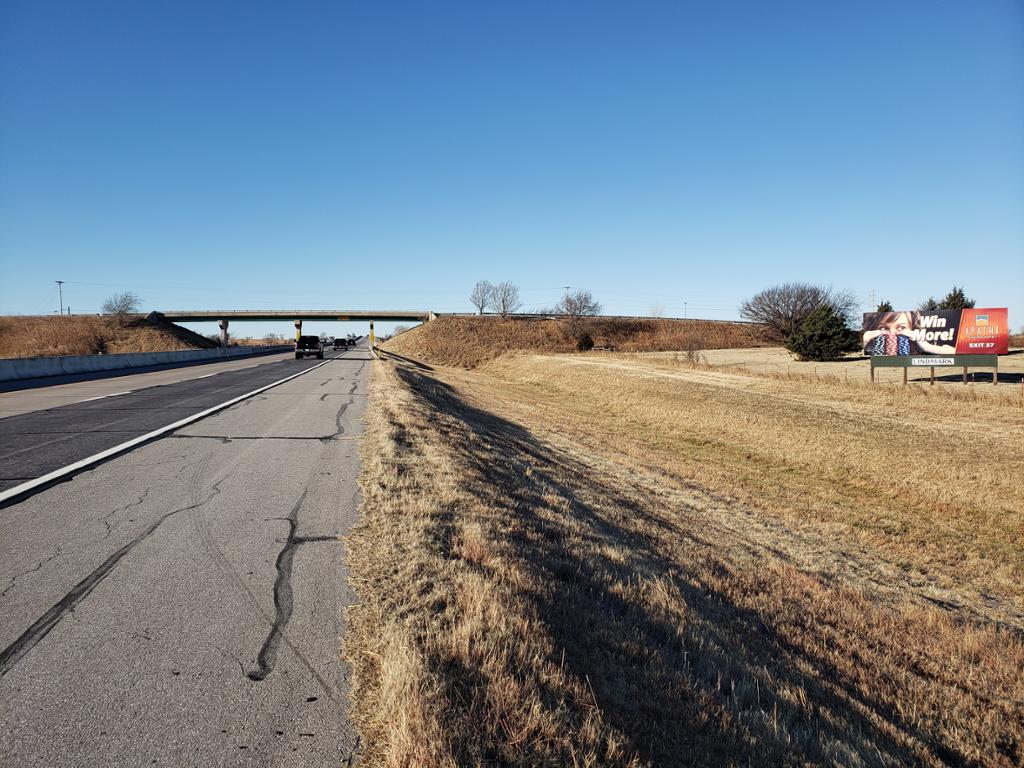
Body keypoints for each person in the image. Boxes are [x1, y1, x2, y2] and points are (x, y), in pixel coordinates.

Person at [863, 310, 956, 355]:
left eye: (901, 327)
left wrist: (926, 347)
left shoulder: (916, 345)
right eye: (883, 328)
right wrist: (868, 345)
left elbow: (958, 352)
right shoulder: (876, 344)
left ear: (912, 328)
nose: (892, 333)